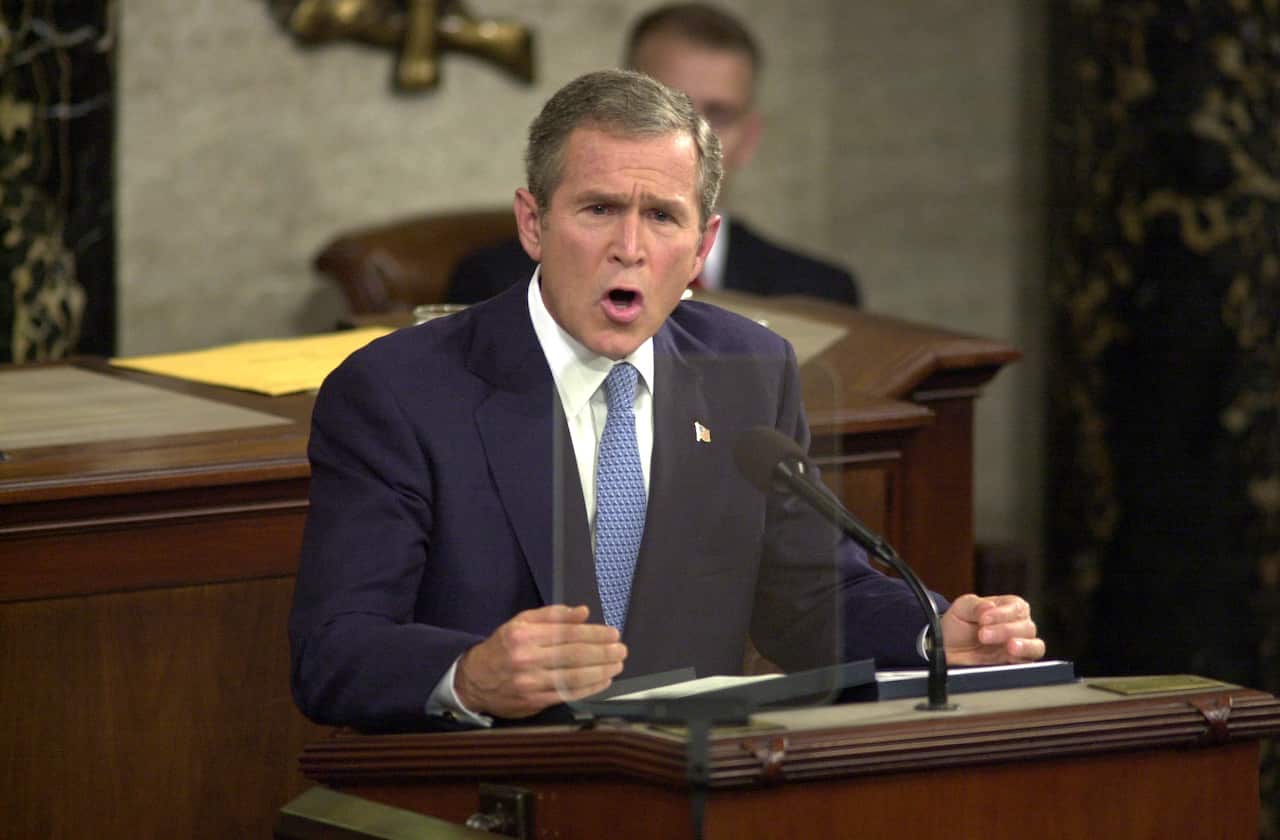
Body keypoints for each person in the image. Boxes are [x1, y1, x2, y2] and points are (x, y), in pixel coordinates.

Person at [289, 69, 1043, 731]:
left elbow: (811, 595)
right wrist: (471, 672)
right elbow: (337, 650)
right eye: (598, 210)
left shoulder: (747, 368)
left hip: (681, 781)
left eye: (662, 217)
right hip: (484, 782)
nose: (630, 247)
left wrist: (934, 631)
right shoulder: (398, 392)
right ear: (533, 223)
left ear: (700, 242)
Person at [446, 2, 861, 307]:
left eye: (719, 114)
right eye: (667, 107)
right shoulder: (495, 281)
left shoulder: (820, 293)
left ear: (749, 137)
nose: (692, 137)